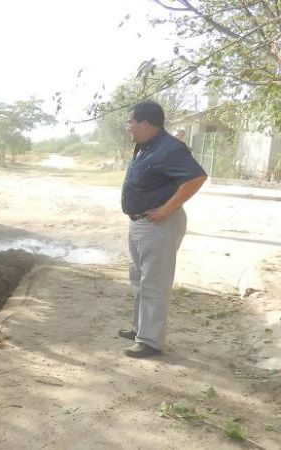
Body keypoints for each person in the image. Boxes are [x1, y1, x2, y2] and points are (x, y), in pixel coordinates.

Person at [119, 100, 207, 358]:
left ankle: (150, 341)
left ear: (145, 123)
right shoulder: (145, 146)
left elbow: (196, 178)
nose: (128, 127)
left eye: (130, 122)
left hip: (158, 225)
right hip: (139, 223)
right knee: (138, 280)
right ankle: (139, 329)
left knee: (154, 283)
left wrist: (167, 209)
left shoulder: (169, 148)